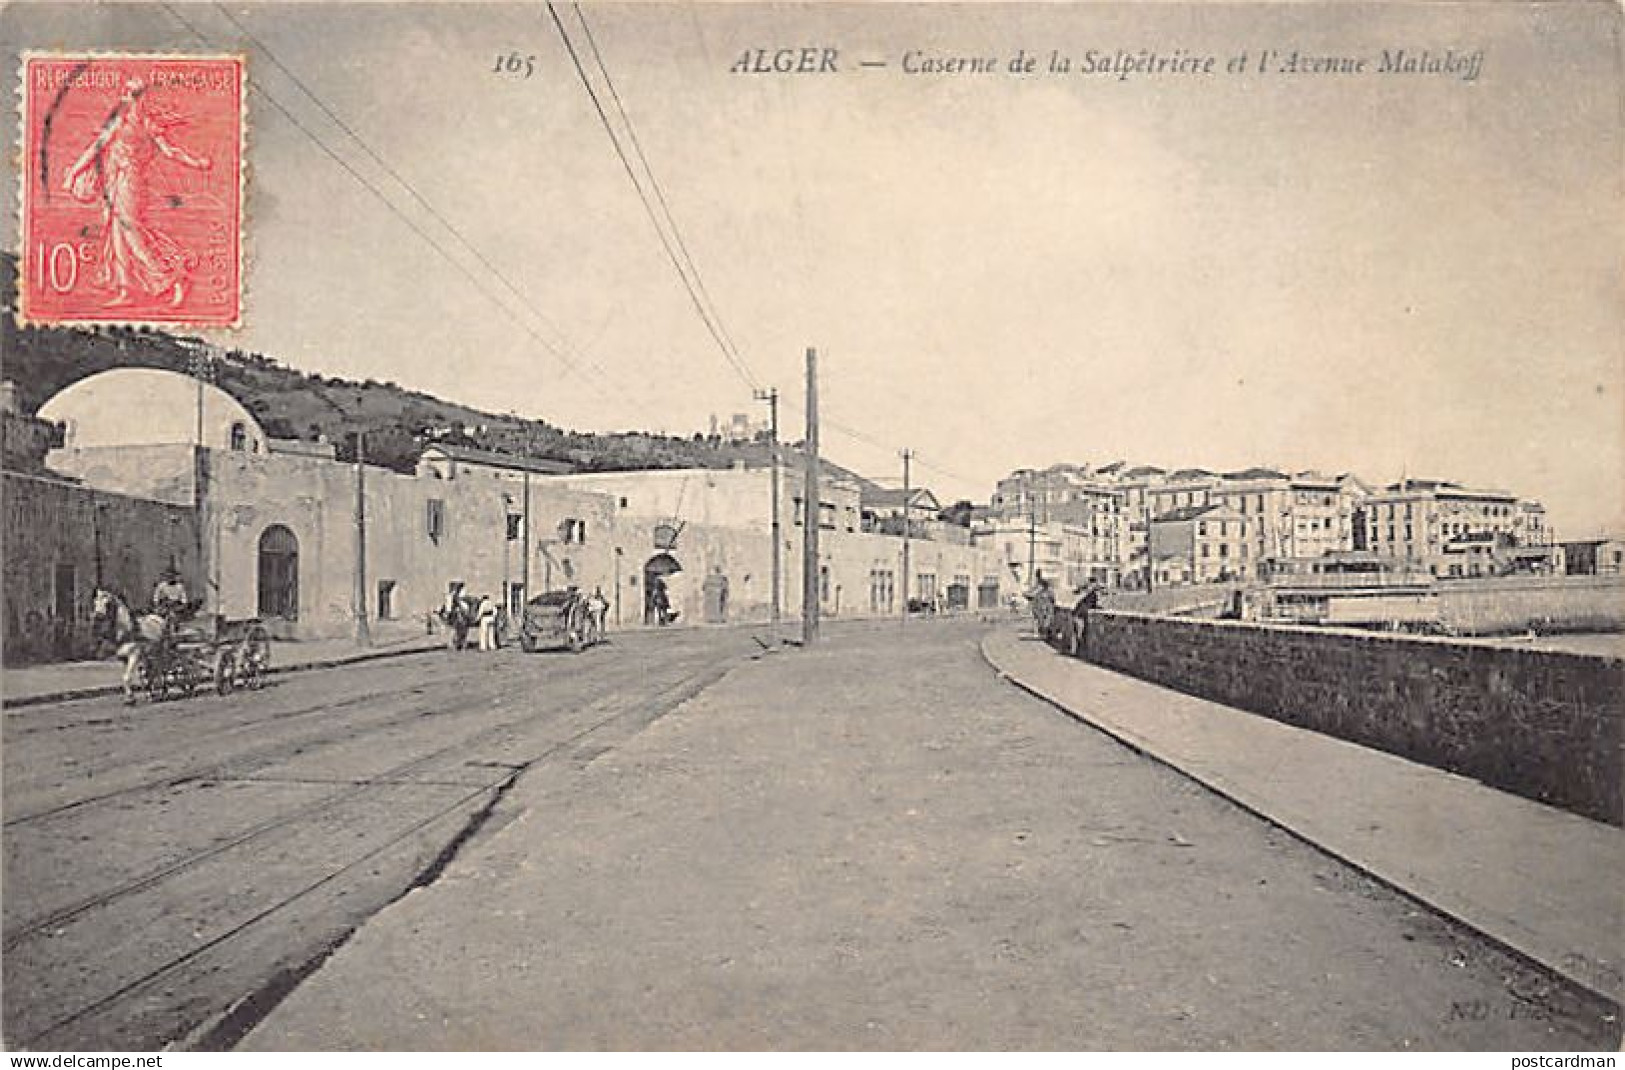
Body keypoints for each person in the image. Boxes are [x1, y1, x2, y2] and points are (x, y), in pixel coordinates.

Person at [63, 76, 213, 308]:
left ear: (140, 98)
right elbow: (96, 148)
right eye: (128, 94)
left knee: (131, 233)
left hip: (130, 182)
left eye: (134, 95)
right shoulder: (118, 122)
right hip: (114, 181)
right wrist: (74, 172)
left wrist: (197, 162)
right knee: (117, 235)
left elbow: (171, 151)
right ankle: (127, 290)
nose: (129, 99)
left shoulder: (148, 124)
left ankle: (173, 279)